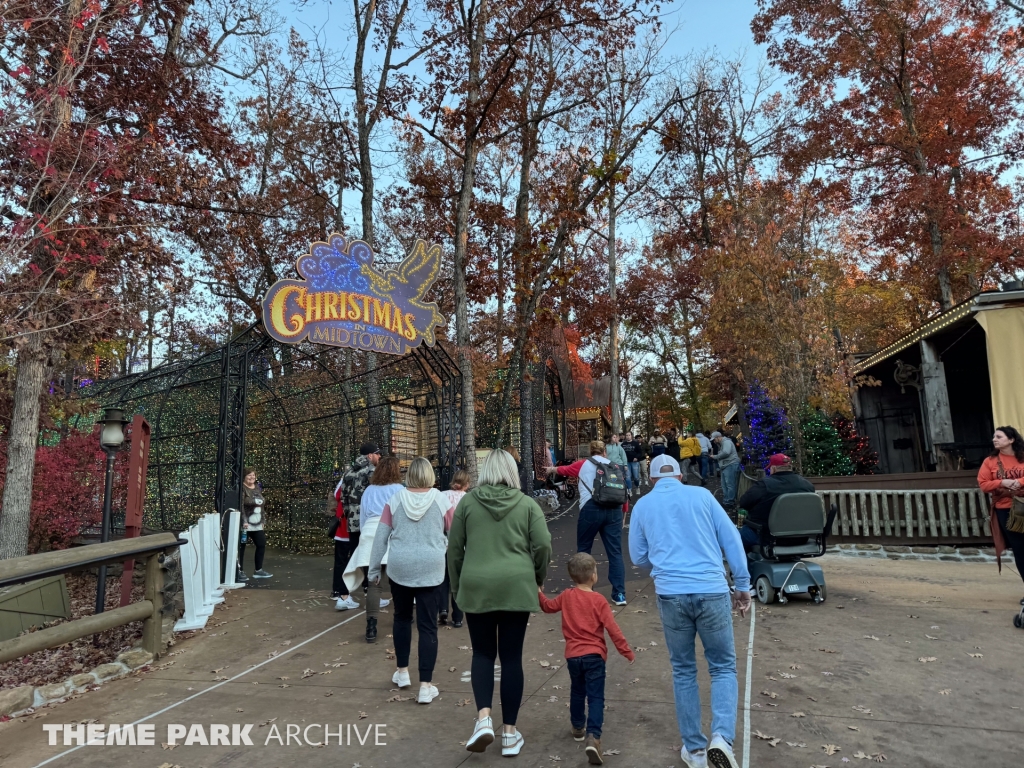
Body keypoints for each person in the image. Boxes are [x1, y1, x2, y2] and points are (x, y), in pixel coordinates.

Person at [628, 455, 751, 768]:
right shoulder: (703, 496)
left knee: (683, 670)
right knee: (723, 666)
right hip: (711, 588)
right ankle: (722, 738)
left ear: (653, 479)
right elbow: (731, 539)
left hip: (671, 593)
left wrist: (660, 566)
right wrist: (742, 585)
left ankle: (694, 750)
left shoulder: (643, 505)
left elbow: (638, 556)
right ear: (680, 476)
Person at [448, 449, 552, 757]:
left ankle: (483, 719)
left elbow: (454, 550)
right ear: (511, 471)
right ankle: (509, 733)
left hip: (477, 585)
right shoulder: (527, 504)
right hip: (516, 586)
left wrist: (457, 587)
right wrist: (537, 576)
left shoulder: (467, 503)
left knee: (481, 653)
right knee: (511, 658)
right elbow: (543, 544)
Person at [367, 457, 454, 704]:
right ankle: (426, 685)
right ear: (430, 475)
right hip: (431, 568)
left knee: (402, 618)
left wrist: (374, 570)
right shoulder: (441, 499)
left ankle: (403, 671)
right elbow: (456, 533)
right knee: (428, 626)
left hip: (400, 567)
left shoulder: (395, 500)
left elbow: (380, 537)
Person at [539, 553, 634, 765]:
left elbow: (548, 607)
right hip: (595, 655)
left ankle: (577, 727)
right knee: (596, 697)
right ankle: (594, 737)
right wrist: (625, 651)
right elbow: (612, 628)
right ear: (593, 576)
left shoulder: (566, 595)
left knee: (577, 691)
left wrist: (539, 593)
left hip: (573, 656)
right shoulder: (599, 600)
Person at [342, 451, 397, 640]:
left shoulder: (369, 490)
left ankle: (371, 628)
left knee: (374, 582)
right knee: (396, 581)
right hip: (390, 532)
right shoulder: (399, 489)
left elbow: (363, 517)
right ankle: (400, 618)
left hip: (369, 533)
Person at [577, 440, 627, 606]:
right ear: (605, 451)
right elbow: (623, 489)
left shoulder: (584, 465)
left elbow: (567, 472)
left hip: (590, 508)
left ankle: (585, 592)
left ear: (590, 451)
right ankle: (619, 593)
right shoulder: (614, 466)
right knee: (615, 552)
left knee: (584, 550)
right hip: (614, 509)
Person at [977, 426, 1024, 604]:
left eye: (999, 436)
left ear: (1011, 440)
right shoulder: (990, 461)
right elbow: (983, 484)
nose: (994, 439)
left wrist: (1018, 482)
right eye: (994, 437)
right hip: (1006, 508)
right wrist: (1002, 481)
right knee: (1020, 550)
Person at [737, 453, 816, 551]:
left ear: (773, 468)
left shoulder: (764, 485)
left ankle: (744, 566)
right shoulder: (807, 485)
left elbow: (744, 502)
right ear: (790, 467)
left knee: (737, 536)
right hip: (801, 537)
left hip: (768, 537)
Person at [439, 469, 471, 627]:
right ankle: (457, 617)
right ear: (466, 484)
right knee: (457, 579)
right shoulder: (468, 498)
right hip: (460, 543)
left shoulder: (442, 495)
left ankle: (442, 609)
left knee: (443, 578)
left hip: (442, 541)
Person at [238, 468, 272, 580]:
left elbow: (261, 506)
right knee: (241, 547)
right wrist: (244, 521)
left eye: (253, 475)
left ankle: (258, 570)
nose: (252, 477)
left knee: (261, 544)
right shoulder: (242, 489)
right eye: (249, 475)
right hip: (246, 523)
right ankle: (239, 571)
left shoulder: (257, 487)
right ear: (244, 476)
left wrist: (263, 521)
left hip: (257, 523)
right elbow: (241, 505)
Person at [330, 476, 355, 602]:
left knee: (341, 561)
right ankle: (343, 591)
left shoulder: (346, 476)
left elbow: (337, 494)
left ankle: (337, 591)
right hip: (351, 525)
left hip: (343, 525)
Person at [713, 432, 740, 512]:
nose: (714, 441)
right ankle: (726, 501)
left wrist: (716, 457)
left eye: (714, 439)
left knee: (729, 484)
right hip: (726, 465)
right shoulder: (723, 443)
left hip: (730, 464)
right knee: (725, 484)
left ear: (718, 437)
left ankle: (730, 502)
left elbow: (726, 452)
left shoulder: (726, 442)